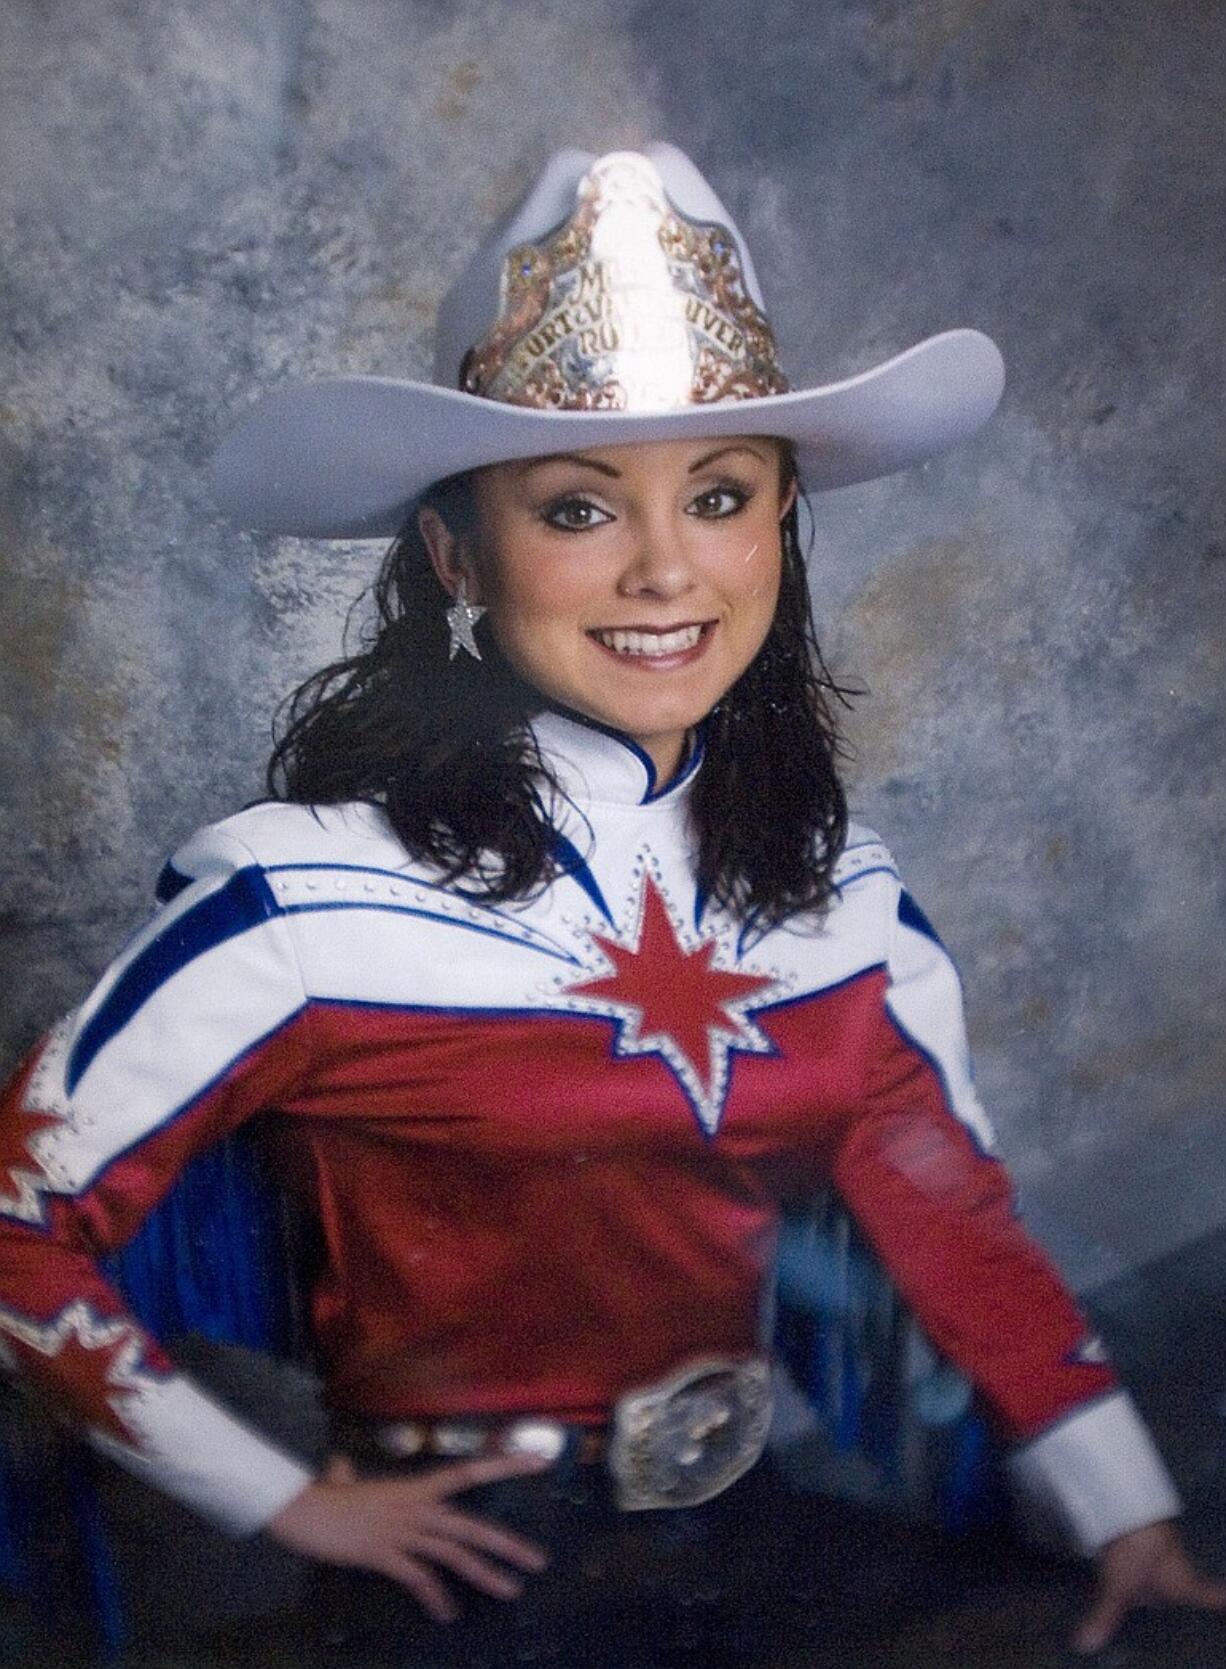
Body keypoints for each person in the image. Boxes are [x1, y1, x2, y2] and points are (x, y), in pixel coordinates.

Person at [0, 144, 1221, 1665]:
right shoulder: (301, 898)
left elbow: (954, 1221)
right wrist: (283, 1498)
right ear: (455, 552)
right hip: (465, 1584)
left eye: (717, 496)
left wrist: (1124, 1512)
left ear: (777, 528)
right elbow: (19, 1221)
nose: (662, 568)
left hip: (757, 1528)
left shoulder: (844, 899)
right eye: (578, 510)